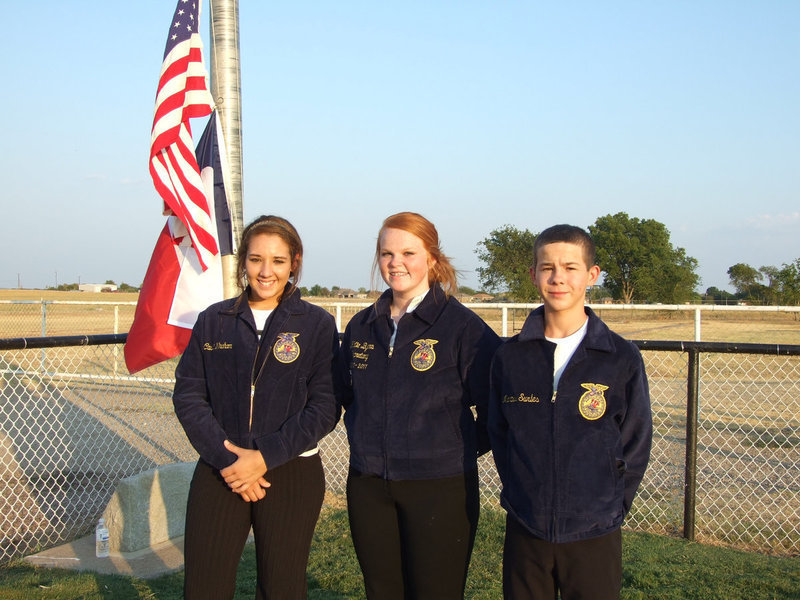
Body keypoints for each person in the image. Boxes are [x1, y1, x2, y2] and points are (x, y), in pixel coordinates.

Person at [172, 215, 339, 599]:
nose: (266, 271)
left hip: (290, 470)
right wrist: (228, 458)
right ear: (243, 262)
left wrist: (264, 456)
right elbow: (189, 395)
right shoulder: (214, 320)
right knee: (204, 587)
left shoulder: (316, 324)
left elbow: (326, 406)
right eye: (256, 259)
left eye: (278, 261)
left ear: (294, 262)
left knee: (282, 587)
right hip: (222, 469)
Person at [336, 211, 501, 600]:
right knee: (382, 591)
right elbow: (341, 395)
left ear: (431, 258)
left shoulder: (462, 327)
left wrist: (452, 447)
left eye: (408, 252)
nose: (396, 263)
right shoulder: (362, 326)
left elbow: (497, 407)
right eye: (387, 253)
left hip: (440, 488)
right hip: (369, 484)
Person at [488, 224, 652, 600]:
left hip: (594, 530)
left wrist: (609, 506)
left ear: (591, 275)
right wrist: (522, 492)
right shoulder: (510, 357)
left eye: (570, 267)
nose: (558, 277)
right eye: (547, 267)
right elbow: (500, 433)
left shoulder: (619, 357)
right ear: (533, 275)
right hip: (527, 527)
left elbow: (635, 441)